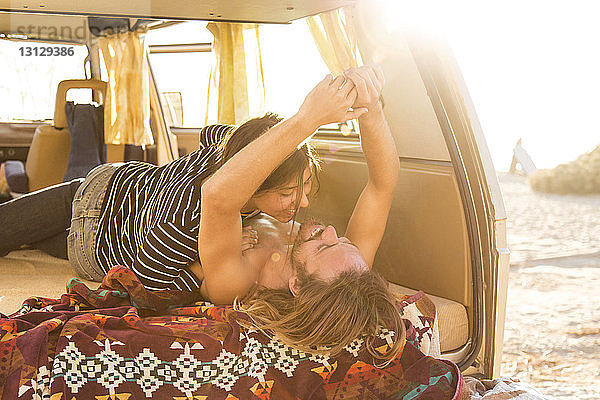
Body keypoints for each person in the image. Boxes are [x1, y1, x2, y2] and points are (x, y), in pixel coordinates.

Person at [0, 98, 327, 293]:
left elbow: (209, 131)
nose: (303, 202)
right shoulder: (187, 217)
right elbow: (142, 286)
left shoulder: (227, 152)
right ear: (255, 181)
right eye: (288, 193)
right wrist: (201, 266)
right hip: (92, 203)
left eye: (306, 186)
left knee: (19, 236)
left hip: (104, 229)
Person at [198, 66, 406, 363]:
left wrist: (309, 118)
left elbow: (216, 196)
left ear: (296, 284)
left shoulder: (238, 281)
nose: (332, 231)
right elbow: (382, 184)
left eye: (324, 246)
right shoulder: (347, 270)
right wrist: (371, 107)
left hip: (113, 199)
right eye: (345, 240)